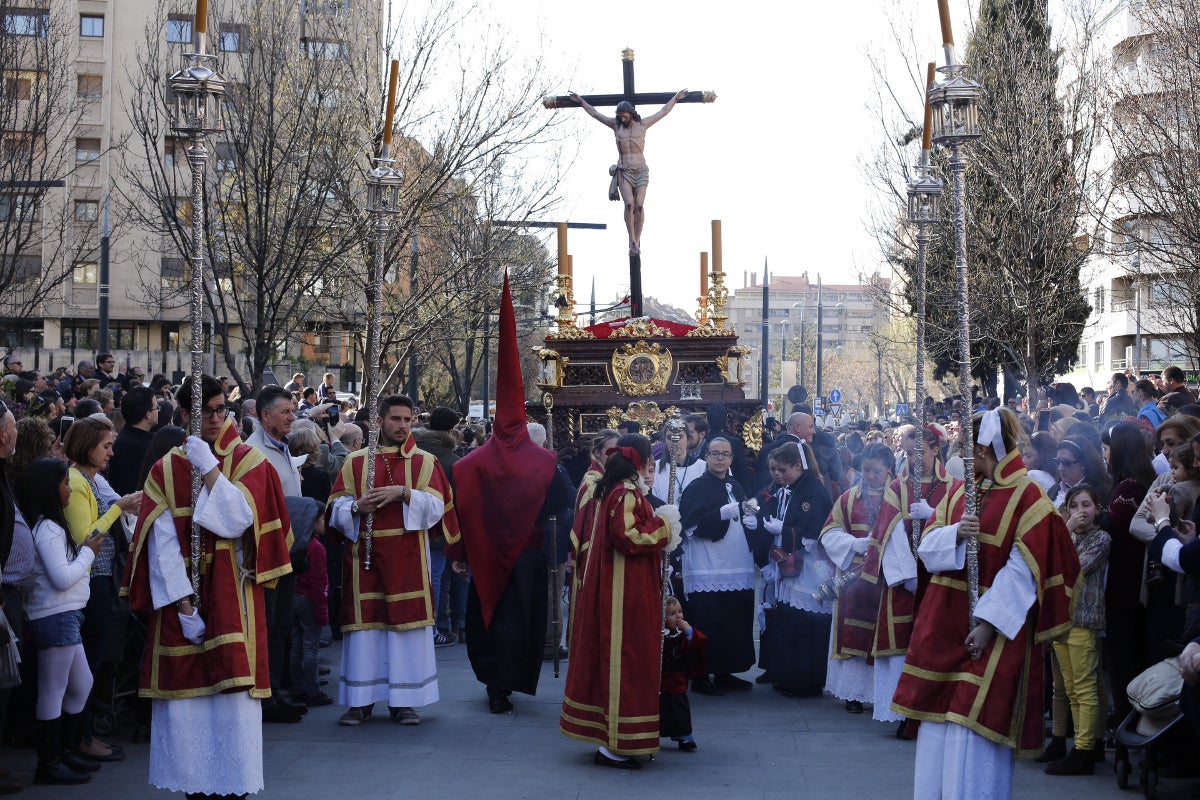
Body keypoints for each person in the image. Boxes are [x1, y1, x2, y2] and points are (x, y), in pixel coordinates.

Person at [891, 407, 1080, 800]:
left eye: (969, 447)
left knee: (974, 727)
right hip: (944, 623)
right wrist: (958, 534)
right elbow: (926, 549)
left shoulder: (1030, 498)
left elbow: (1023, 572)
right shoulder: (964, 492)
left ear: (986, 447)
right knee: (937, 722)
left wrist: (988, 623)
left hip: (993, 631)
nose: (963, 454)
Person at [122, 375, 293, 799]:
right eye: (206, 411)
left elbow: (236, 521)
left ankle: (232, 789)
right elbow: (159, 543)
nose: (216, 419)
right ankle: (193, 790)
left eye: (222, 410)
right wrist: (183, 607)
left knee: (232, 708)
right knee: (188, 715)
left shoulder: (249, 462)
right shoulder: (164, 469)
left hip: (234, 598)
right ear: (184, 416)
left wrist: (210, 469)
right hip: (182, 605)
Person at [447, 278, 571, 714]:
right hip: (529, 561)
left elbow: (458, 514)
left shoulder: (468, 464)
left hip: (485, 558)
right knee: (522, 620)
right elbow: (561, 506)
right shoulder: (544, 463)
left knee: (491, 618)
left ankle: (495, 684)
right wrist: (559, 552)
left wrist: (459, 551)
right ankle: (512, 679)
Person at [329, 394, 459, 727]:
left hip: (408, 561)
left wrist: (404, 493)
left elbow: (437, 510)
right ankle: (360, 701)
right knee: (365, 633)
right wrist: (358, 507)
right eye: (395, 419)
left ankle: (405, 701)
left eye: (408, 419)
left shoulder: (424, 462)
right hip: (365, 562)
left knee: (405, 632)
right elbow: (334, 512)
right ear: (379, 422)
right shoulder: (355, 463)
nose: (402, 426)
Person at [559, 433, 679, 768]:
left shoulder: (611, 488)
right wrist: (664, 526)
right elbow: (629, 537)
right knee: (627, 661)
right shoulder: (624, 492)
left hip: (621, 584)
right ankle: (615, 743)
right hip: (624, 590)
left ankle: (618, 739)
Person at [867, 425, 964, 735]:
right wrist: (907, 575)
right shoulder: (897, 486)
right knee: (902, 645)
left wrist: (934, 512)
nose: (914, 458)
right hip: (907, 577)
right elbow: (889, 530)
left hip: (940, 573)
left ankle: (935, 708)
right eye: (909, 453)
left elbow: (963, 526)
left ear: (936, 450)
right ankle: (902, 712)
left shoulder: (956, 486)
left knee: (935, 642)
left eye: (920, 451)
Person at [62, 416, 142, 763]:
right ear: (87, 447)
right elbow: (87, 537)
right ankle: (78, 738)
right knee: (88, 662)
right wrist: (119, 508)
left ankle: (81, 736)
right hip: (90, 580)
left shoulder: (90, 479)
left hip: (99, 577)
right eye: (106, 446)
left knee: (92, 661)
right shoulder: (77, 481)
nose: (112, 452)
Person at [20, 458, 100, 785]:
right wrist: (89, 552)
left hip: (65, 614)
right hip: (55, 615)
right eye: (65, 483)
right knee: (53, 690)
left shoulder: (50, 526)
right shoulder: (49, 528)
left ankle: (64, 752)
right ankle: (49, 763)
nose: (70, 488)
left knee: (80, 684)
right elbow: (62, 577)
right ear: (50, 489)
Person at [678, 436, 758, 695]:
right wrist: (719, 515)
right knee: (706, 618)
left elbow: (745, 513)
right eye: (715, 454)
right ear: (706, 457)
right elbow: (688, 526)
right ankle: (700, 675)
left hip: (736, 560)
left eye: (725, 454)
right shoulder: (696, 487)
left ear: (732, 459)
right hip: (707, 563)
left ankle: (726, 671)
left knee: (732, 618)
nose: (720, 458)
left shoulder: (735, 485)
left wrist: (751, 521)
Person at [569, 88, 689, 255]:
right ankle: (632, 240)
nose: (621, 117)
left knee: (639, 206)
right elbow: (595, 113)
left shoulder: (643, 125)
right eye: (619, 115)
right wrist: (581, 101)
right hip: (624, 171)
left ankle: (637, 239)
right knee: (629, 204)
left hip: (640, 171)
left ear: (631, 113)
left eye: (624, 115)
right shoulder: (615, 126)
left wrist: (676, 98)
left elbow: (662, 112)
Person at [820, 443, 893, 714]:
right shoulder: (849, 498)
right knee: (853, 634)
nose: (871, 476)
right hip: (853, 579)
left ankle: (881, 693)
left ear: (889, 469)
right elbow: (828, 532)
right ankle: (852, 693)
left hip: (887, 578)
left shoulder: (899, 498)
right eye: (866, 471)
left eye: (876, 471)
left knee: (882, 633)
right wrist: (854, 544)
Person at [1043, 485, 1111, 776]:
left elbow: (1073, 566)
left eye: (1087, 505)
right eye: (1074, 506)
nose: (1081, 511)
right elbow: (1048, 564)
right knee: (1069, 687)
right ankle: (1081, 744)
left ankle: (1084, 749)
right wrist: (1067, 529)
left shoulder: (1102, 538)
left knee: (1083, 686)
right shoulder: (1065, 532)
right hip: (1061, 617)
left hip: (1084, 618)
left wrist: (1066, 530)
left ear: (1097, 508)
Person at [757, 441, 834, 696]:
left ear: (798, 466)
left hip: (810, 568)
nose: (778, 475)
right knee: (791, 623)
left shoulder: (812, 490)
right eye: (775, 470)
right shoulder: (794, 486)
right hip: (793, 566)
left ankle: (805, 682)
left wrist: (785, 531)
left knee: (804, 625)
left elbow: (814, 532)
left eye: (783, 470)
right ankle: (789, 676)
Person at [660, 596, 707, 752]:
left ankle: (684, 737)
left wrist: (689, 633)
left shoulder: (682, 633)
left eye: (680, 611)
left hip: (678, 678)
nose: (678, 616)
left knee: (680, 707)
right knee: (661, 708)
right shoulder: (660, 633)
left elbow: (695, 646)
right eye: (672, 614)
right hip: (660, 680)